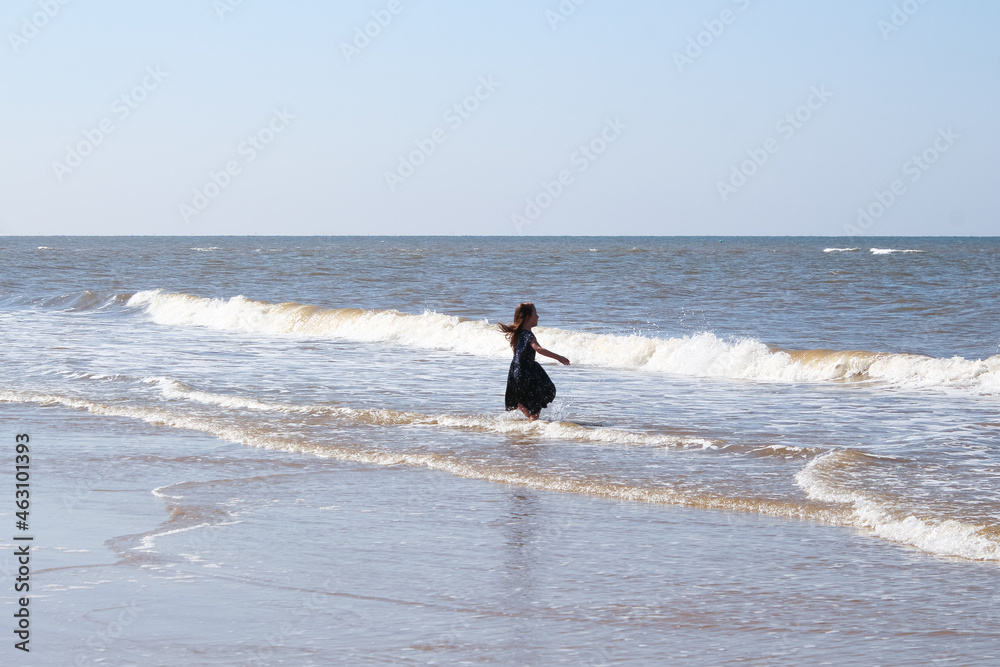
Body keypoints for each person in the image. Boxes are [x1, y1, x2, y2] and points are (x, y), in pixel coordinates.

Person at [499, 302, 570, 421]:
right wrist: (559, 357)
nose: (538, 317)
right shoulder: (528, 335)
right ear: (527, 317)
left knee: (530, 400)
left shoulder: (517, 333)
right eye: (535, 314)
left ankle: (524, 409)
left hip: (515, 371)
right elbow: (538, 349)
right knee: (547, 390)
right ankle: (532, 423)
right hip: (527, 372)